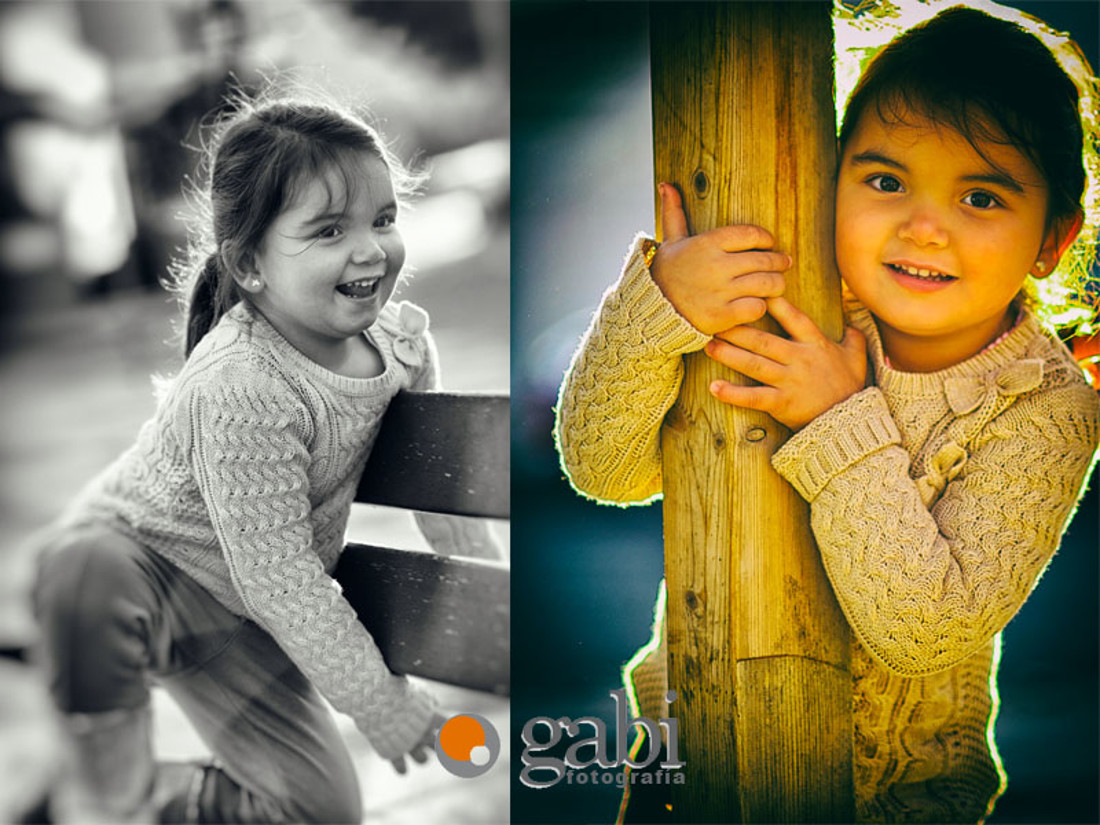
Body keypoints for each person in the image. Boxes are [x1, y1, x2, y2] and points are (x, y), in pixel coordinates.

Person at [555, 7, 1099, 823]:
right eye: (884, 181)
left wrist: (839, 417)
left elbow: (924, 630)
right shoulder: (799, 307)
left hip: (889, 799)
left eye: (982, 196)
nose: (923, 225)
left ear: (1053, 238)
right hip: (691, 768)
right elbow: (608, 467)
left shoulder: (1047, 407)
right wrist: (659, 306)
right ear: (831, 176)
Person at [31, 94, 495, 823]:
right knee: (89, 584)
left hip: (233, 610)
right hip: (134, 577)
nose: (371, 248)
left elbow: (443, 498)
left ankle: (151, 798)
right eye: (328, 230)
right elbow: (281, 579)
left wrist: (493, 619)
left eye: (383, 219)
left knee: (319, 809)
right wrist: (383, 702)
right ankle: (97, 791)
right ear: (249, 263)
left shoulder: (402, 347)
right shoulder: (245, 383)